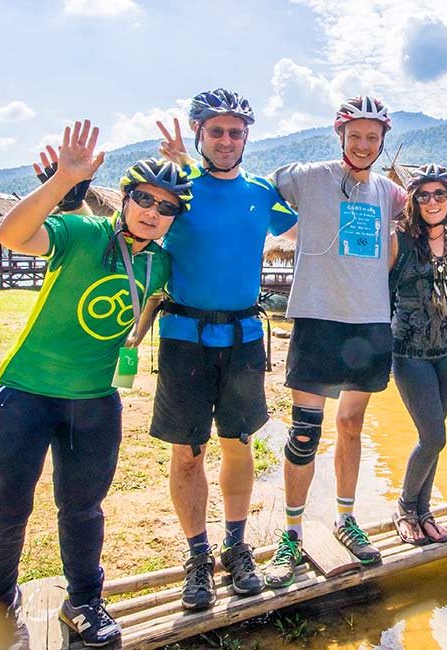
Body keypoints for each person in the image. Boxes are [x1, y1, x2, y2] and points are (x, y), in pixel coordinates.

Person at [0, 120, 185, 649]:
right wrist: (63, 181)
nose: (152, 212)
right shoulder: (83, 233)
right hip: (26, 390)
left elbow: (164, 297)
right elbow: (11, 235)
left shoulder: (163, 263)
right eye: (143, 199)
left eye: (166, 207)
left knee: (84, 507)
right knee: (1, 510)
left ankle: (85, 600)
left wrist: (188, 164)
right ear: (125, 198)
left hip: (94, 401)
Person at [144, 88, 298, 611]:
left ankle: (236, 546)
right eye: (216, 131)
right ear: (199, 136)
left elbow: (313, 229)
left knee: (238, 443)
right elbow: (133, 226)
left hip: (244, 339)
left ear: (247, 136)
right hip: (185, 338)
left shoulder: (262, 193)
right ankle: (196, 556)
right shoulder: (178, 192)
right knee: (188, 452)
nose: (227, 140)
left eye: (236, 131)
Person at [262, 96, 407, 587]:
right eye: (355, 136)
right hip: (317, 317)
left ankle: (347, 520)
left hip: (368, 324)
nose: (363, 145)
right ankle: (292, 534)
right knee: (305, 433)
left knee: (351, 426)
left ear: (382, 140)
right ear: (340, 135)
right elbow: (258, 188)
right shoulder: (309, 176)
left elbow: (413, 221)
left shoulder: (390, 192)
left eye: (372, 137)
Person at [389, 164, 447, 545]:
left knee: (434, 434)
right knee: (434, 437)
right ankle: (405, 506)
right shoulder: (398, 241)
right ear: (414, 201)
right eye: (424, 195)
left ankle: (424, 511)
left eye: (439, 194)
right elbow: (376, 292)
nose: (432, 201)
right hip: (410, 352)